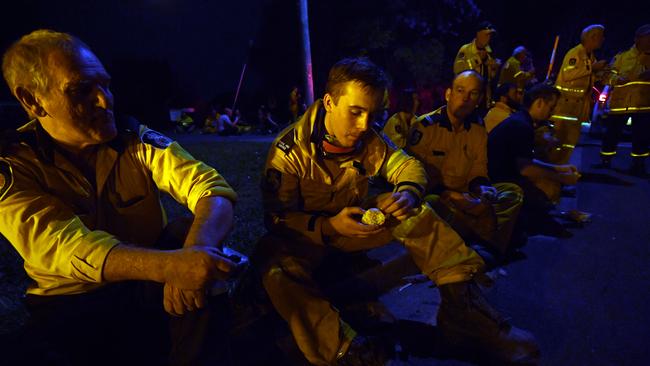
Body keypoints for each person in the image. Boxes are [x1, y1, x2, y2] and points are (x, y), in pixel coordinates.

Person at [257, 58, 539, 365]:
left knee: (417, 210)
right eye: (355, 112)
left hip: (354, 228)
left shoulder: (369, 140)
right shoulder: (290, 151)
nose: (364, 125)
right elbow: (277, 218)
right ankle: (346, 350)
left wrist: (408, 192)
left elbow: (408, 165)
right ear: (329, 102)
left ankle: (463, 309)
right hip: (308, 236)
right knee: (276, 270)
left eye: (373, 114)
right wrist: (328, 226)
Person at [0, 29, 240, 365]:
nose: (105, 100)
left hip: (147, 289)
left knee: (193, 238)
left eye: (106, 85)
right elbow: (64, 247)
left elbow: (211, 188)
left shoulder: (133, 139)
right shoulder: (13, 163)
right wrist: (174, 267)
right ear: (32, 101)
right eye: (82, 90)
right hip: (72, 304)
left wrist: (194, 253)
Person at [406, 71, 523, 255]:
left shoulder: (478, 129)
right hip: (440, 196)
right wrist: (452, 195)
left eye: (473, 93)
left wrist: (482, 188)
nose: (465, 98)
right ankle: (481, 243)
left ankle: (481, 246)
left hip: (467, 194)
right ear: (448, 94)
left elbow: (478, 168)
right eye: (460, 90)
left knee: (512, 192)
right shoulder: (425, 127)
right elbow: (417, 177)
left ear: (479, 99)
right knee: (432, 205)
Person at [488, 83, 580, 232]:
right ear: (539, 103)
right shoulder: (522, 126)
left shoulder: (521, 120)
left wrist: (558, 168)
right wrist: (562, 178)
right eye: (551, 107)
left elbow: (525, 161)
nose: (552, 112)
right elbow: (526, 169)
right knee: (546, 192)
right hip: (497, 179)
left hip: (500, 173)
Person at [550, 24, 607, 164]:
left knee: (570, 142)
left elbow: (587, 76)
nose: (603, 40)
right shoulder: (575, 53)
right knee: (558, 141)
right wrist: (592, 68)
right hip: (565, 107)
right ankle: (552, 171)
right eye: (601, 37)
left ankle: (561, 171)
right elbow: (569, 74)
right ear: (592, 38)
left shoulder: (590, 56)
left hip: (577, 108)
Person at [599, 24, 650, 176]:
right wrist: (616, 79)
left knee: (641, 137)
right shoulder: (622, 56)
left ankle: (638, 165)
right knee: (611, 134)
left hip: (643, 105)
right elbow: (606, 75)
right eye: (647, 38)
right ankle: (605, 161)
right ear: (637, 39)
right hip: (620, 104)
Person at [454, 21, 501, 109]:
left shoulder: (489, 53)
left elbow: (490, 78)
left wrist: (494, 69)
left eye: (490, 36)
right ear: (478, 34)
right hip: (468, 97)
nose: (488, 38)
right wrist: (478, 60)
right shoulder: (466, 49)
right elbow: (458, 70)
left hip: (483, 98)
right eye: (486, 35)